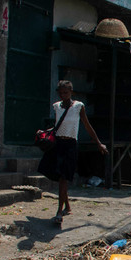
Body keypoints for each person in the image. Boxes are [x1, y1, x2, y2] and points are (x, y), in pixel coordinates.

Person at [38, 80, 107, 224]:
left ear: (71, 93)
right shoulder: (56, 106)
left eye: (66, 93)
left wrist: (98, 143)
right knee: (59, 176)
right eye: (61, 93)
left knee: (64, 178)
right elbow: (57, 126)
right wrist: (44, 132)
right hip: (58, 144)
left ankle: (59, 212)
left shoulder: (78, 107)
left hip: (71, 145)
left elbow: (87, 126)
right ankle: (67, 207)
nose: (63, 95)